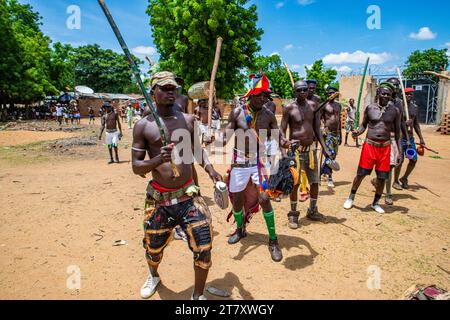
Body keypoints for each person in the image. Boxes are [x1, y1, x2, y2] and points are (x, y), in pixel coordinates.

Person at [131, 71, 222, 300]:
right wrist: (157, 160)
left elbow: (196, 152)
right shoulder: (143, 126)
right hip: (160, 200)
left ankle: (198, 295)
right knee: (153, 248)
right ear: (153, 92)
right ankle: (154, 275)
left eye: (174, 88)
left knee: (204, 247)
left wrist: (211, 171)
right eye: (165, 88)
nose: (171, 91)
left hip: (188, 197)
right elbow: (136, 167)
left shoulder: (188, 120)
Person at [222, 73, 284, 262]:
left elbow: (277, 136)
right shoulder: (238, 113)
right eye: (260, 95)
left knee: (265, 198)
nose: (264, 99)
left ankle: (273, 241)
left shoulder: (269, 115)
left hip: (260, 161)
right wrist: (218, 138)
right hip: (239, 161)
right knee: (238, 199)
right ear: (250, 95)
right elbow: (228, 131)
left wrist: (285, 143)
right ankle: (240, 229)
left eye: (266, 95)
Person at [281, 80, 333, 229]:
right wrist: (284, 150)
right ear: (295, 92)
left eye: (305, 90)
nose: (303, 92)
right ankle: (293, 214)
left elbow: (317, 129)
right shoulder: (289, 108)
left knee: (315, 182)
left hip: (311, 150)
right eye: (299, 90)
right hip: (295, 152)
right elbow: (282, 131)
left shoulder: (313, 107)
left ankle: (312, 210)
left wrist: (326, 149)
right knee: (295, 184)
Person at [343, 83, 402, 214]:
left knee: (382, 178)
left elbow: (398, 133)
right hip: (369, 146)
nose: (386, 96)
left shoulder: (395, 111)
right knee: (360, 174)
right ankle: (351, 197)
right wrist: (357, 132)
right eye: (383, 93)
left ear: (391, 96)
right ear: (378, 93)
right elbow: (363, 125)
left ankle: (375, 203)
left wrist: (399, 153)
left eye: (388, 94)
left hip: (385, 148)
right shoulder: (370, 108)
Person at [393, 88, 425, 190]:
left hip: (410, 138)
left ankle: (404, 178)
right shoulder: (398, 106)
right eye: (407, 94)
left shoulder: (414, 108)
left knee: (413, 159)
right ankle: (395, 181)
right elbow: (396, 122)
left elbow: (416, 124)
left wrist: (421, 138)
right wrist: (403, 124)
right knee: (400, 160)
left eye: (411, 94)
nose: (409, 96)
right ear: (403, 95)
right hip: (400, 137)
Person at [320, 86, 342, 188]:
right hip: (327, 133)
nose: (331, 95)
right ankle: (329, 177)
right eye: (329, 93)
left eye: (332, 93)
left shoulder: (338, 105)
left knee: (334, 155)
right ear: (326, 94)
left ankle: (322, 171)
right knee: (329, 155)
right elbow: (318, 119)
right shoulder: (324, 105)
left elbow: (339, 120)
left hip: (336, 133)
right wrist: (322, 129)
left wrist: (340, 134)